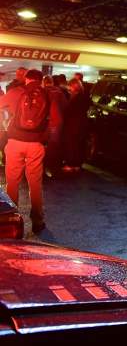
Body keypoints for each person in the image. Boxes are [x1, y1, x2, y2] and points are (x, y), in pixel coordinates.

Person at [0, 69, 62, 234]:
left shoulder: (16, 92)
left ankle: (10, 219)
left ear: (26, 79)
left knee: (12, 182)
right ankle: (37, 221)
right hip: (36, 144)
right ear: (41, 80)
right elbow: (56, 120)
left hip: (15, 142)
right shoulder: (48, 94)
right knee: (35, 183)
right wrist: (45, 137)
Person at [42, 75, 69, 177]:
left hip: (45, 123)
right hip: (57, 123)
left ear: (44, 82)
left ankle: (42, 167)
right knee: (54, 146)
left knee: (42, 145)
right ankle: (54, 168)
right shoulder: (59, 92)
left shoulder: (43, 91)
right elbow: (66, 107)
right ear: (52, 82)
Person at [61, 78, 91, 172]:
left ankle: (71, 164)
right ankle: (77, 164)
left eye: (70, 86)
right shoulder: (84, 97)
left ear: (74, 86)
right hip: (82, 124)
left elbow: (70, 111)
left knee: (72, 144)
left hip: (73, 125)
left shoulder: (76, 98)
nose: (69, 89)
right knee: (79, 144)